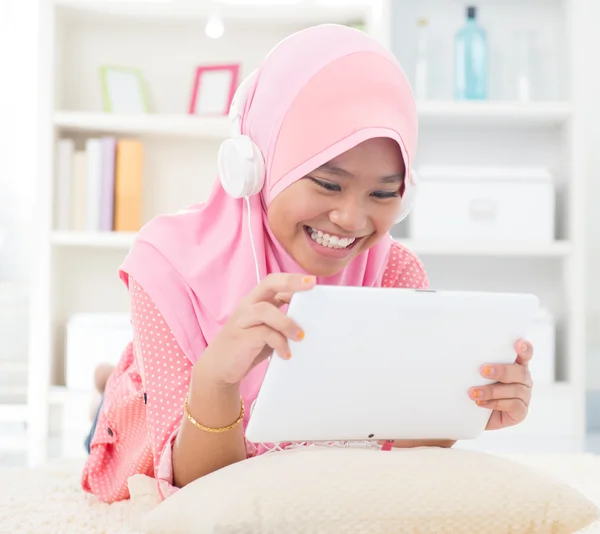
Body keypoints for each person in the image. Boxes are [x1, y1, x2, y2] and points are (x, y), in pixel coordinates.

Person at [81, 24, 534, 504]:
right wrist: (216, 378)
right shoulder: (167, 262)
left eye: (383, 193)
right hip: (152, 420)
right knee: (124, 417)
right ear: (255, 165)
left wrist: (459, 409)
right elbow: (197, 488)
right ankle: (112, 382)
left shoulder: (396, 272)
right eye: (327, 183)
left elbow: (395, 446)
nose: (351, 219)